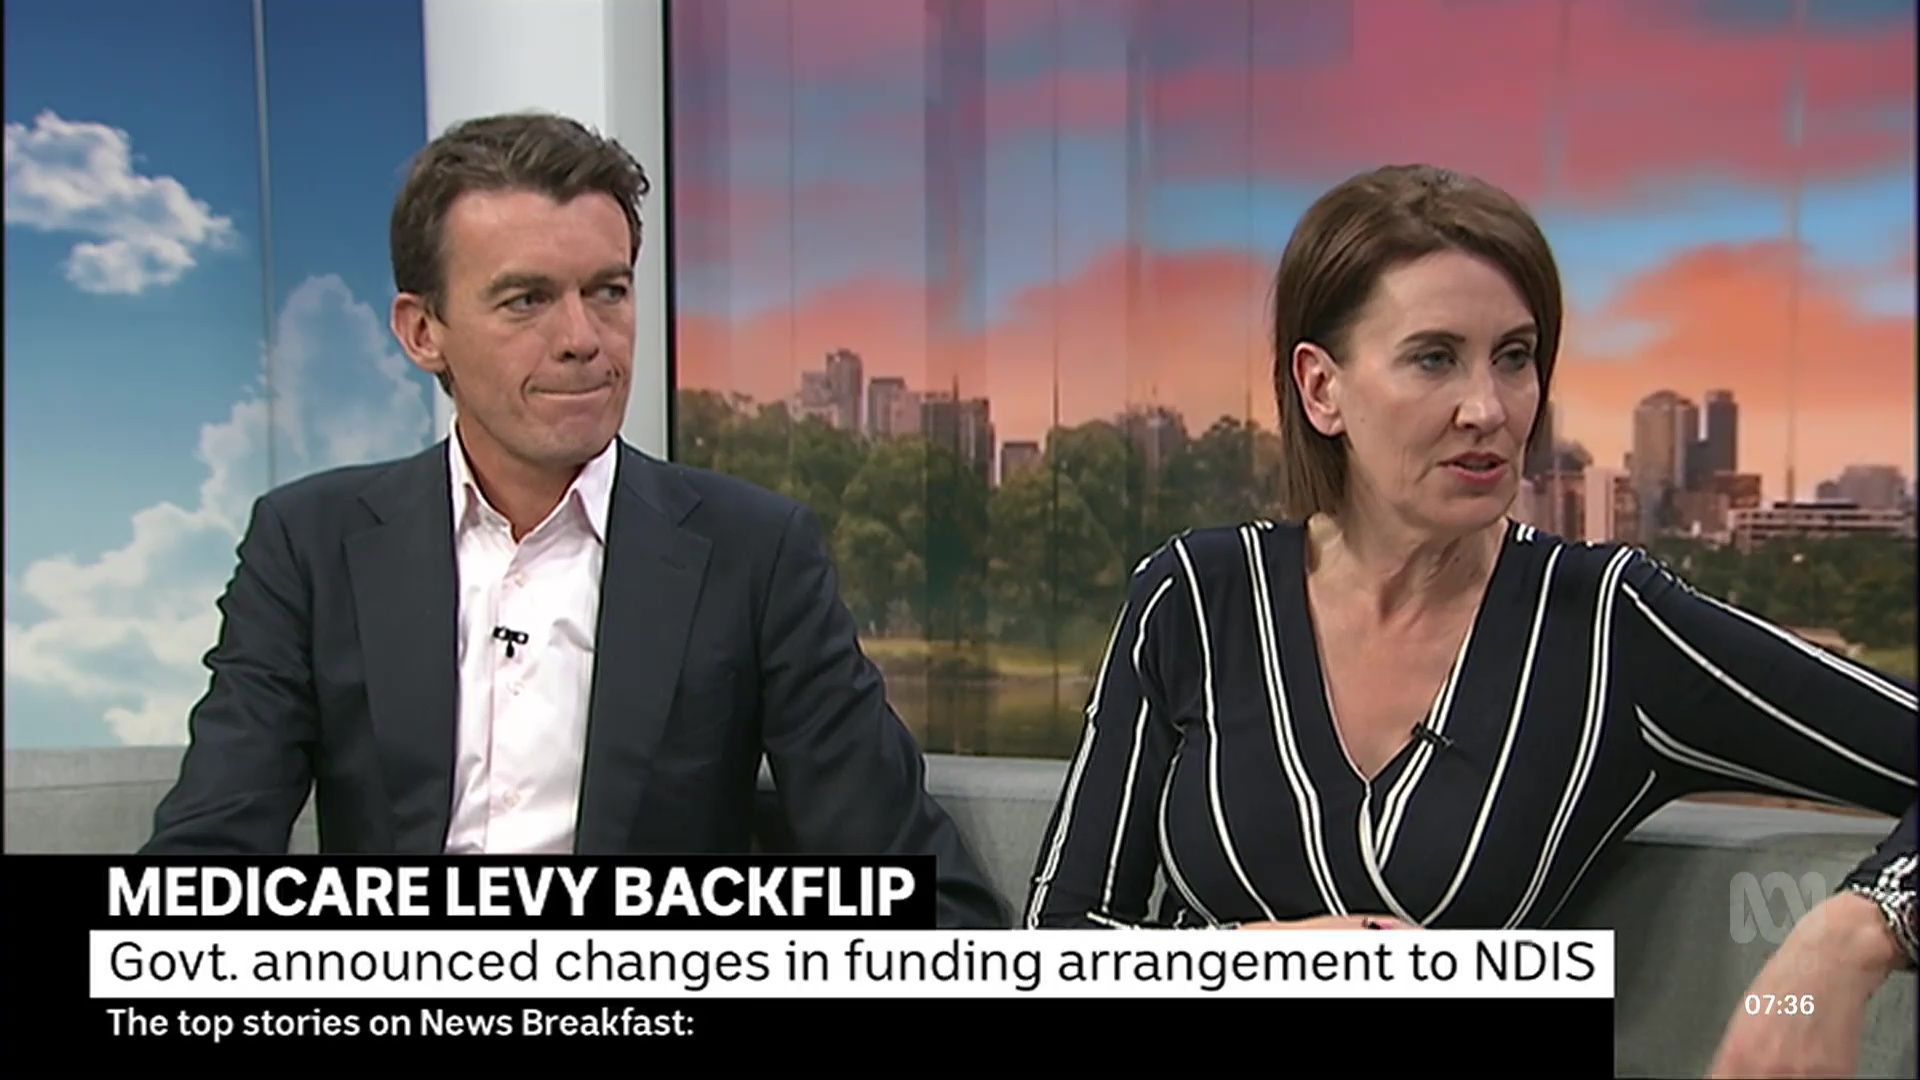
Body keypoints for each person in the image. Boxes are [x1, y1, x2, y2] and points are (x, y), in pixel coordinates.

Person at [1023, 164, 1917, 1074]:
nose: (1488, 409)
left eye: (1515, 357)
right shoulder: (1194, 598)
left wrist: (1848, 937)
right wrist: (1276, 961)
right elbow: (1058, 943)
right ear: (1322, 389)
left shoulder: (1606, 626)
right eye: (1434, 358)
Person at [142, 111, 1006, 931]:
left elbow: (922, 891)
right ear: (423, 331)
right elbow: (203, 864)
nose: (583, 337)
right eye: (526, 300)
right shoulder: (311, 545)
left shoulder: (753, 554)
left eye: (608, 292)